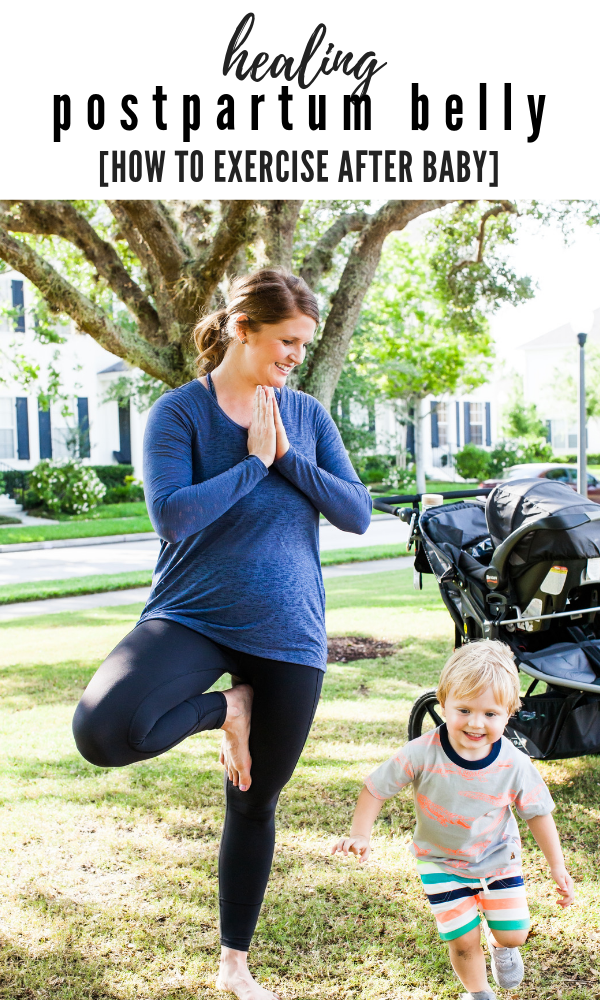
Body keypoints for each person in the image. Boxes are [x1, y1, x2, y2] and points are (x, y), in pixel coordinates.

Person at [72, 268, 372, 1000]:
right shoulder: (178, 413)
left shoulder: (306, 416)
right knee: (103, 731)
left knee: (253, 798)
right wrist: (253, 466)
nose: (297, 355)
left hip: (288, 630)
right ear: (243, 330)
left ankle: (234, 964)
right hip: (190, 614)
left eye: (303, 344)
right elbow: (172, 515)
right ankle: (225, 708)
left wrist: (288, 457)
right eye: (286, 341)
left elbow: (357, 513)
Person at [331, 640, 575, 1000]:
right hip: (440, 862)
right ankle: (478, 993)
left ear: (509, 713)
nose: (476, 723)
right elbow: (375, 788)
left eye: (490, 714)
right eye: (464, 710)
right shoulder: (420, 753)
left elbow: (537, 813)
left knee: (514, 933)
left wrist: (557, 866)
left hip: (498, 859)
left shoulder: (515, 764)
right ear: (442, 704)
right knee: (461, 941)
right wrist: (360, 835)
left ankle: (501, 944)